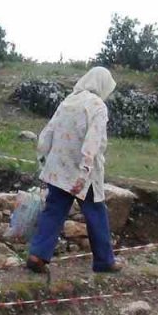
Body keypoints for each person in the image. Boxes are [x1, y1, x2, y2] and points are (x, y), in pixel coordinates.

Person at [27, 67, 122, 274]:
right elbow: (93, 141)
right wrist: (85, 170)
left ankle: (37, 255)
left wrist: (43, 159)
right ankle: (104, 261)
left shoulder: (68, 100)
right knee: (96, 213)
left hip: (59, 169)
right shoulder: (97, 106)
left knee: (54, 211)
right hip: (82, 173)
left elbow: (48, 132)